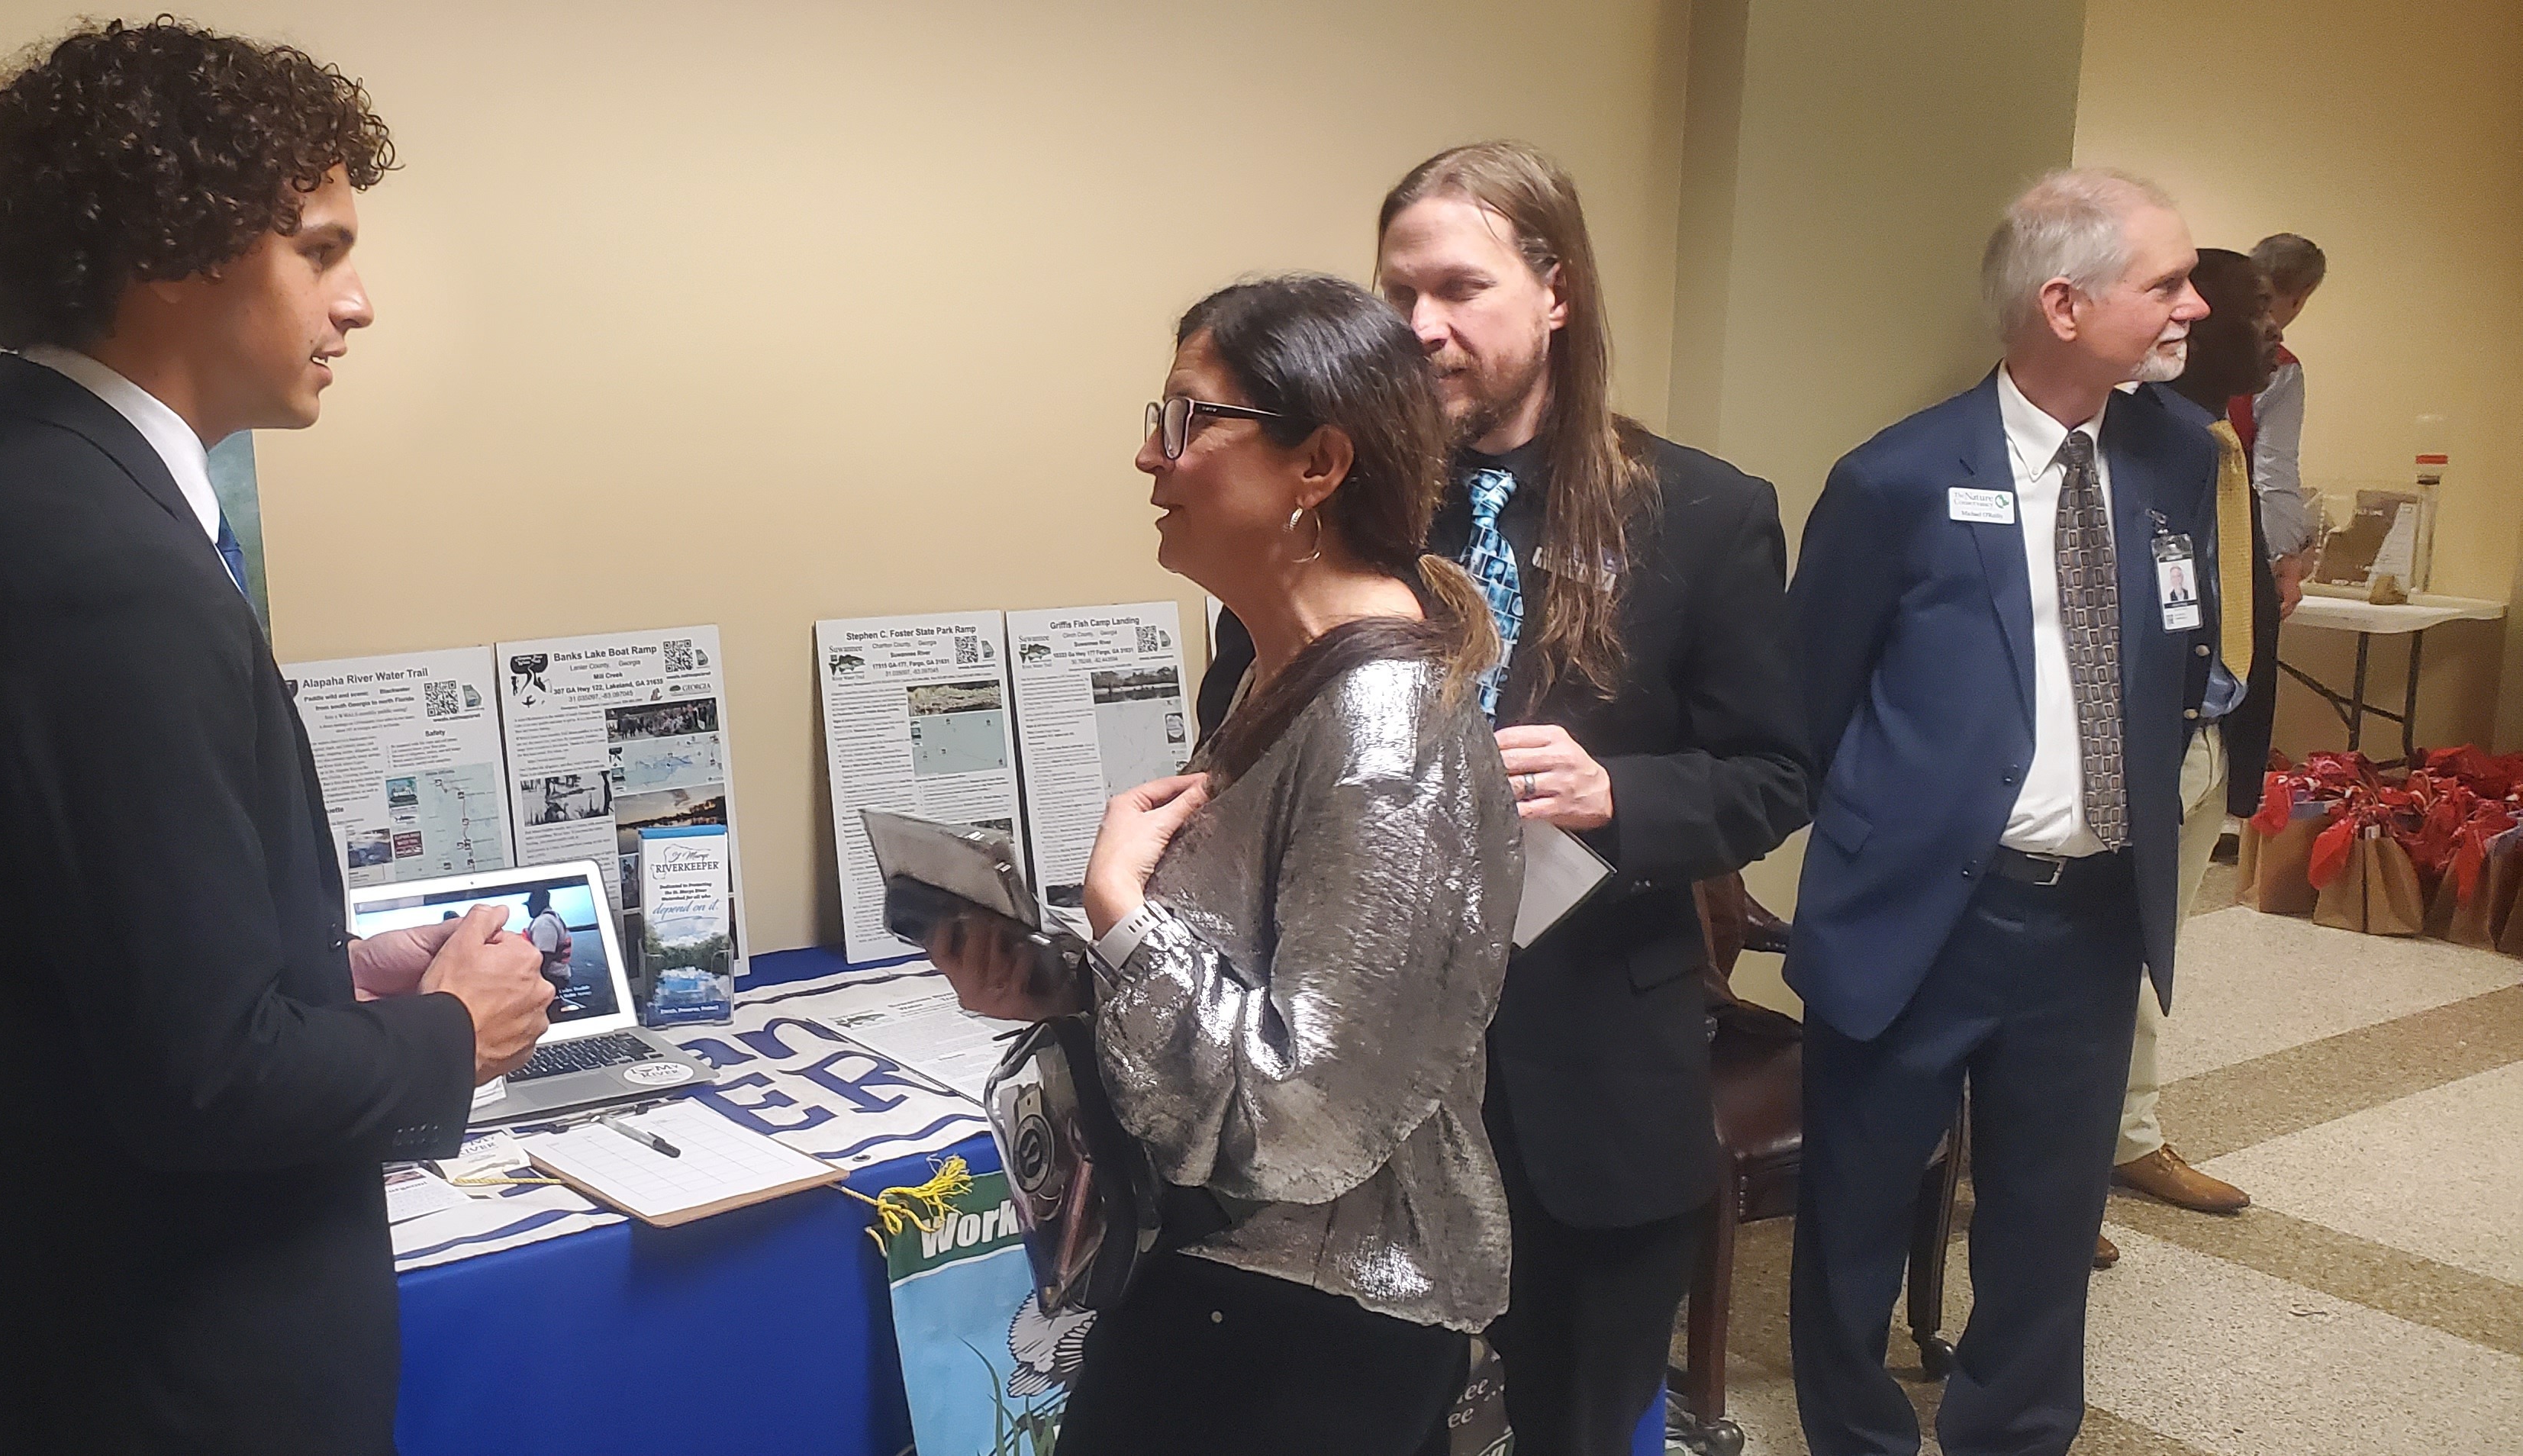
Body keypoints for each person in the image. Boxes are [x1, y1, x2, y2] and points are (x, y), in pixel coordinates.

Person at [0, 23, 555, 1454]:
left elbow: (84, 957)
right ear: (180, 244)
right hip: (145, 1370)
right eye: (323, 249)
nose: (359, 304)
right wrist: (443, 1034)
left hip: (31, 1326)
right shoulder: (96, 560)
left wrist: (328, 977)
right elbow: (203, 1076)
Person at [1195, 140, 1811, 1456]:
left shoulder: (1701, 512)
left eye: (1460, 289)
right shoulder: (1324, 499)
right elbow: (1226, 740)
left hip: (1585, 1075)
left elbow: (1772, 769)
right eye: (1397, 291)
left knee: (1579, 1426)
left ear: (1555, 292)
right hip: (1346, 1090)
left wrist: (1616, 791)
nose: (1421, 327)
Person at [931, 274, 1519, 1456]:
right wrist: (1062, 980)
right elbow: (1243, 965)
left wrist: (1118, 919)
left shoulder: (1385, 732)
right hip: (1227, 1281)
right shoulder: (1280, 673)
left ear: (1319, 466)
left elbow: (1307, 1115)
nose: (1150, 458)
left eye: (1187, 421)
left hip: (1319, 1322)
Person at [1785, 167, 2220, 1456]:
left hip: (2088, 917)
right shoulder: (1894, 478)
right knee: (1855, 1207)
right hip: (1920, 909)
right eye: (2167, 282)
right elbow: (1809, 701)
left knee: (2044, 1217)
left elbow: (2184, 646)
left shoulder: (2182, 455)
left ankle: (2013, 1430)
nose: (2195, 303)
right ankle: (1856, 1434)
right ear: (2065, 304)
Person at [2099, 248, 2289, 1260]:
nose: (2268, 330)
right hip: (2145, 738)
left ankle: (2125, 1138)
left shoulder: (2214, 440)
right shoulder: (2137, 444)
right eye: (2253, 310)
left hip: (2212, 730)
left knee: (2155, 949)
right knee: (2101, 959)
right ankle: (2049, 1166)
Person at [2243, 233, 2326, 617]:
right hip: (2235, 543)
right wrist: (2286, 559)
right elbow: (2274, 471)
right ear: (2301, 295)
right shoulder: (2278, 365)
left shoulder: (2177, 338)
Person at [525, 888, 575, 992]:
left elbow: (545, 956)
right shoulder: (554, 917)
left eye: (530, 905)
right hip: (559, 976)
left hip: (552, 978)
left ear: (538, 904)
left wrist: (536, 983)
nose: (529, 908)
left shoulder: (543, 922)